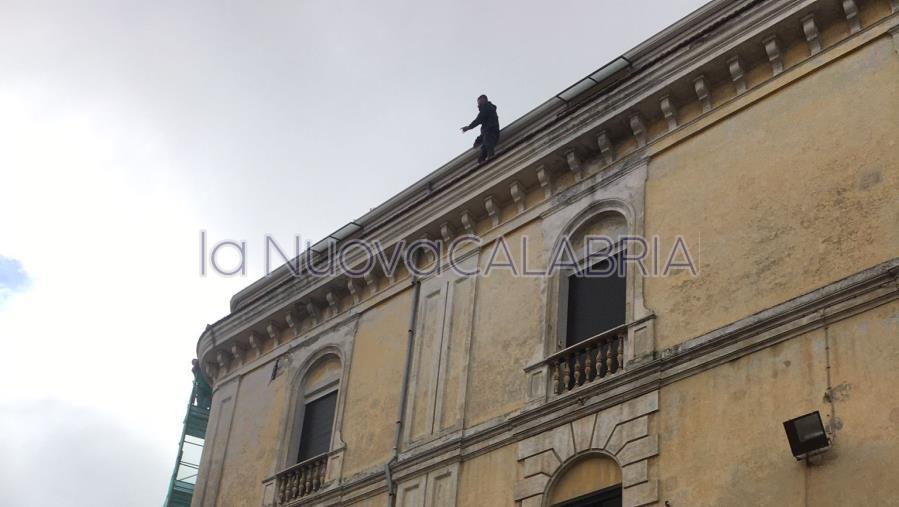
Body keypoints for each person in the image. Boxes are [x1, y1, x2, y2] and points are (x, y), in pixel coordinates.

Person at [461, 94, 499, 163]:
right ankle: (482, 162)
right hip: (489, 134)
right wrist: (478, 140)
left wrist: (469, 127)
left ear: (484, 100)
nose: (478, 105)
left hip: (491, 134)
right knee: (483, 151)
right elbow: (484, 131)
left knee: (488, 144)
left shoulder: (487, 107)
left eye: (479, 103)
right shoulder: (487, 119)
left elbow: (479, 119)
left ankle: (491, 159)